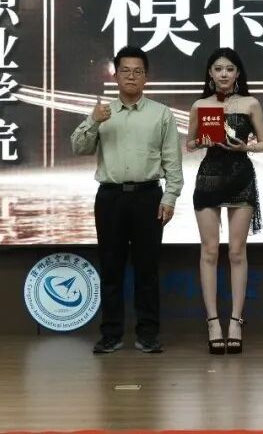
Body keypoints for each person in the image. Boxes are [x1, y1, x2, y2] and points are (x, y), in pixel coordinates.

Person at [70, 46, 183, 355]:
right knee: (111, 268)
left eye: (137, 71)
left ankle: (148, 334)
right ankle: (111, 334)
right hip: (110, 198)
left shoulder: (161, 114)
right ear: (115, 76)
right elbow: (79, 148)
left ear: (146, 77)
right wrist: (93, 121)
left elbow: (172, 162)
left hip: (149, 196)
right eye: (125, 71)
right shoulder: (103, 112)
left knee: (147, 269)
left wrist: (171, 196)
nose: (131, 76)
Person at [186, 47, 263, 355]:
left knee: (236, 251)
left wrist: (244, 147)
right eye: (218, 69)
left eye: (229, 69)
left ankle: (235, 321)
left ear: (237, 73)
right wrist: (201, 141)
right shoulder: (200, 105)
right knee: (209, 250)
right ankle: (212, 322)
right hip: (209, 177)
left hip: (240, 176)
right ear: (210, 73)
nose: (223, 74)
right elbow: (190, 143)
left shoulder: (250, 103)